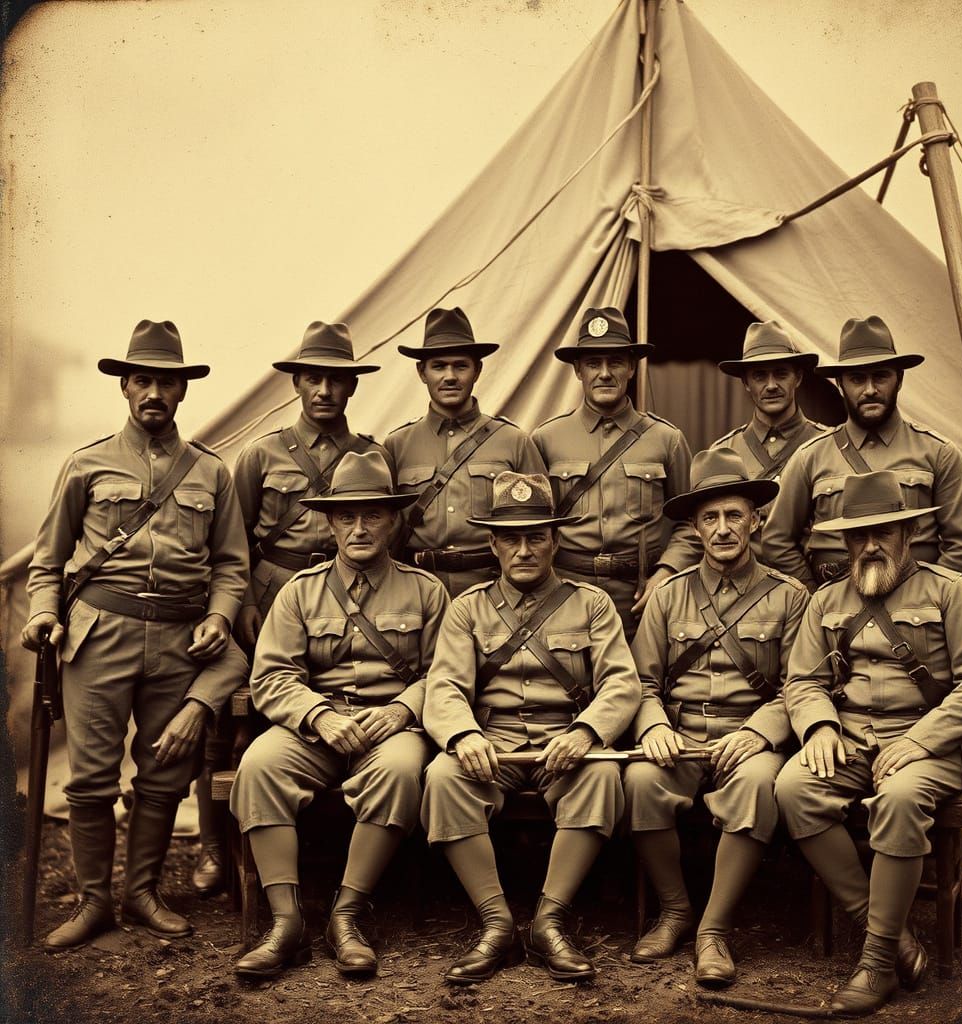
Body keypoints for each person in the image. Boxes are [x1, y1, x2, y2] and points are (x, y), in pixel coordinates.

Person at [22, 320, 249, 950]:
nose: (154, 392)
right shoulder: (86, 464)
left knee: (164, 773)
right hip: (99, 634)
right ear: (125, 386)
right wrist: (44, 612)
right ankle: (94, 903)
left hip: (181, 639)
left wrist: (220, 616)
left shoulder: (211, 472)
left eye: (167, 382)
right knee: (91, 778)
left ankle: (142, 894)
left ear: (183, 391)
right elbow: (50, 558)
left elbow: (231, 565)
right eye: (143, 380)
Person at [774, 470, 962, 1015]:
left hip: (932, 745)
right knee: (792, 788)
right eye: (858, 535)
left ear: (908, 534)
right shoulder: (826, 600)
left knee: (900, 799)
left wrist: (923, 741)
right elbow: (802, 680)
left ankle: (876, 963)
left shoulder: (951, 592)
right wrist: (820, 726)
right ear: (847, 541)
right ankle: (889, 934)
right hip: (851, 737)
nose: (871, 545)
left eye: (883, 532)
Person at [229, 451, 449, 979]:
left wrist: (402, 709)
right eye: (347, 516)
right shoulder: (299, 592)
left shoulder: (426, 591)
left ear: (393, 520)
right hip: (315, 728)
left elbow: (446, 675)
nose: (359, 528)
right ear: (330, 523)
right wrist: (318, 716)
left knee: (399, 771)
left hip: (389, 728)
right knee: (259, 765)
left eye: (372, 514)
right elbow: (272, 677)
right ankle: (285, 922)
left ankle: (345, 916)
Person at [189, 320, 385, 898]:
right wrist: (246, 600)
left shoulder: (371, 455)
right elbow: (234, 540)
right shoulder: (262, 454)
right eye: (313, 379)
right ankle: (215, 849)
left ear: (351, 387)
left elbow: (382, 532)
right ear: (296, 383)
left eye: (336, 380)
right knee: (228, 721)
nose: (324, 390)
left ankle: (331, 847)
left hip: (349, 590)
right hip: (273, 590)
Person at [420, 472, 641, 985]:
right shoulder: (467, 608)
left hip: (564, 743)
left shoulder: (592, 604)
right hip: (491, 745)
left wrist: (586, 733)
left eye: (536, 536)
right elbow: (445, 687)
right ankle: (496, 924)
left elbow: (621, 685)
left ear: (555, 541)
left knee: (602, 776)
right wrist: (463, 736)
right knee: (443, 777)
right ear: (493, 544)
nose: (524, 550)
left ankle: (549, 922)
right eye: (512, 539)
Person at [624, 449, 809, 983]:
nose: (723, 529)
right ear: (695, 527)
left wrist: (759, 733)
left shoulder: (790, 598)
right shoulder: (667, 597)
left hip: (749, 741)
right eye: (710, 518)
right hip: (680, 737)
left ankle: (714, 930)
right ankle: (676, 910)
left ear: (756, 520)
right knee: (638, 779)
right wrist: (655, 726)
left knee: (755, 786)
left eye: (734, 516)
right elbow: (642, 681)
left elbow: (799, 685)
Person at [761, 316, 962, 588]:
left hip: (914, 612)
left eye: (880, 376)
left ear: (899, 380)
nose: (869, 390)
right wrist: (816, 595)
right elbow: (776, 541)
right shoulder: (811, 456)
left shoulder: (938, 453)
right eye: (857, 379)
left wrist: (926, 597)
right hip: (836, 616)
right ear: (840, 385)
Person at [532, 306, 697, 641]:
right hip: (565, 591)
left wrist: (667, 571)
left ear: (632, 368)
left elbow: (691, 521)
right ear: (578, 370)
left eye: (615, 362)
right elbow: (531, 525)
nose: (604, 373)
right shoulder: (545, 440)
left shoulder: (667, 439)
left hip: (639, 596)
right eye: (594, 363)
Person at [385, 306, 545, 596]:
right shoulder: (397, 445)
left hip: (492, 589)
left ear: (477, 370)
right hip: (414, 588)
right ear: (422, 372)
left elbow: (540, 528)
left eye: (460, 365)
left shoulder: (513, 441)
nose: (450, 376)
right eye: (438, 366)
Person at [709, 320, 825, 561]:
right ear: (745, 383)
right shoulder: (723, 451)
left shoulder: (827, 444)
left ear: (799, 378)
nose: (771, 385)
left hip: (807, 585)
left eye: (781, 373)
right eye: (760, 376)